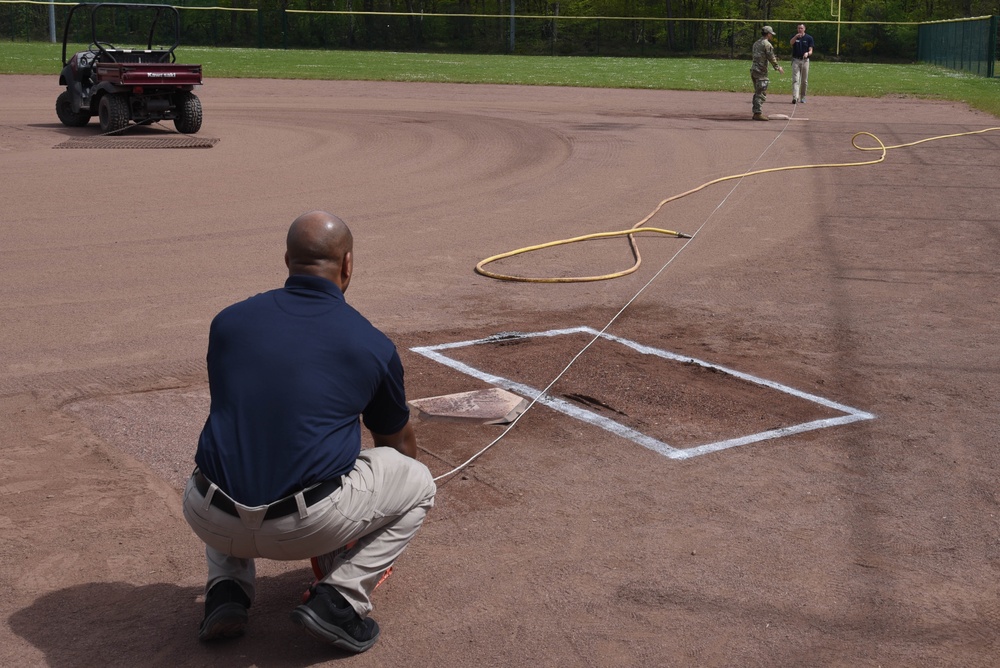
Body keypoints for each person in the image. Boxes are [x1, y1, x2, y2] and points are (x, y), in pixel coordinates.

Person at [182, 210, 436, 654]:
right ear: (348, 264)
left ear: (286, 259)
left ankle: (226, 591)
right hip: (306, 527)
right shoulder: (369, 343)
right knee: (417, 482)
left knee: (240, 441)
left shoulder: (228, 322)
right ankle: (339, 601)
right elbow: (398, 447)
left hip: (208, 516)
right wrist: (360, 523)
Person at [751, 25, 784, 121]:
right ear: (768, 34)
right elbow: (771, 57)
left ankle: (756, 111)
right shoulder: (767, 44)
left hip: (754, 70)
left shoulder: (756, 43)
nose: (771, 36)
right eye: (771, 34)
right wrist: (778, 67)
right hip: (761, 71)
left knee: (758, 92)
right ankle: (757, 113)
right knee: (761, 93)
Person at [790, 23, 815, 104]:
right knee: (796, 80)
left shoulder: (809, 38)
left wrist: (807, 53)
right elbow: (791, 43)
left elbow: (811, 50)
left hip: (805, 61)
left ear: (804, 29)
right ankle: (795, 97)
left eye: (801, 28)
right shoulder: (795, 36)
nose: (800, 30)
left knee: (804, 81)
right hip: (796, 60)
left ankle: (803, 96)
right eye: (798, 28)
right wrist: (796, 37)